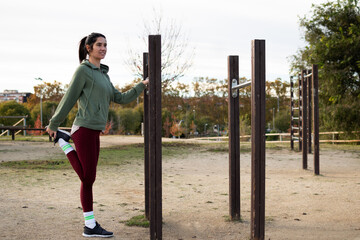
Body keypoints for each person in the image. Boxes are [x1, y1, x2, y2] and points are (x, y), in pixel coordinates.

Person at [46, 32, 148, 238]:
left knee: (88, 178)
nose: (103, 48)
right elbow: (68, 98)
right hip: (83, 129)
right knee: (87, 177)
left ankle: (90, 225)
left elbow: (120, 97)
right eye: (99, 45)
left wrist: (141, 85)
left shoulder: (103, 74)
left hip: (95, 131)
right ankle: (89, 225)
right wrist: (54, 124)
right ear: (88, 48)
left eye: (105, 45)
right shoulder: (83, 71)